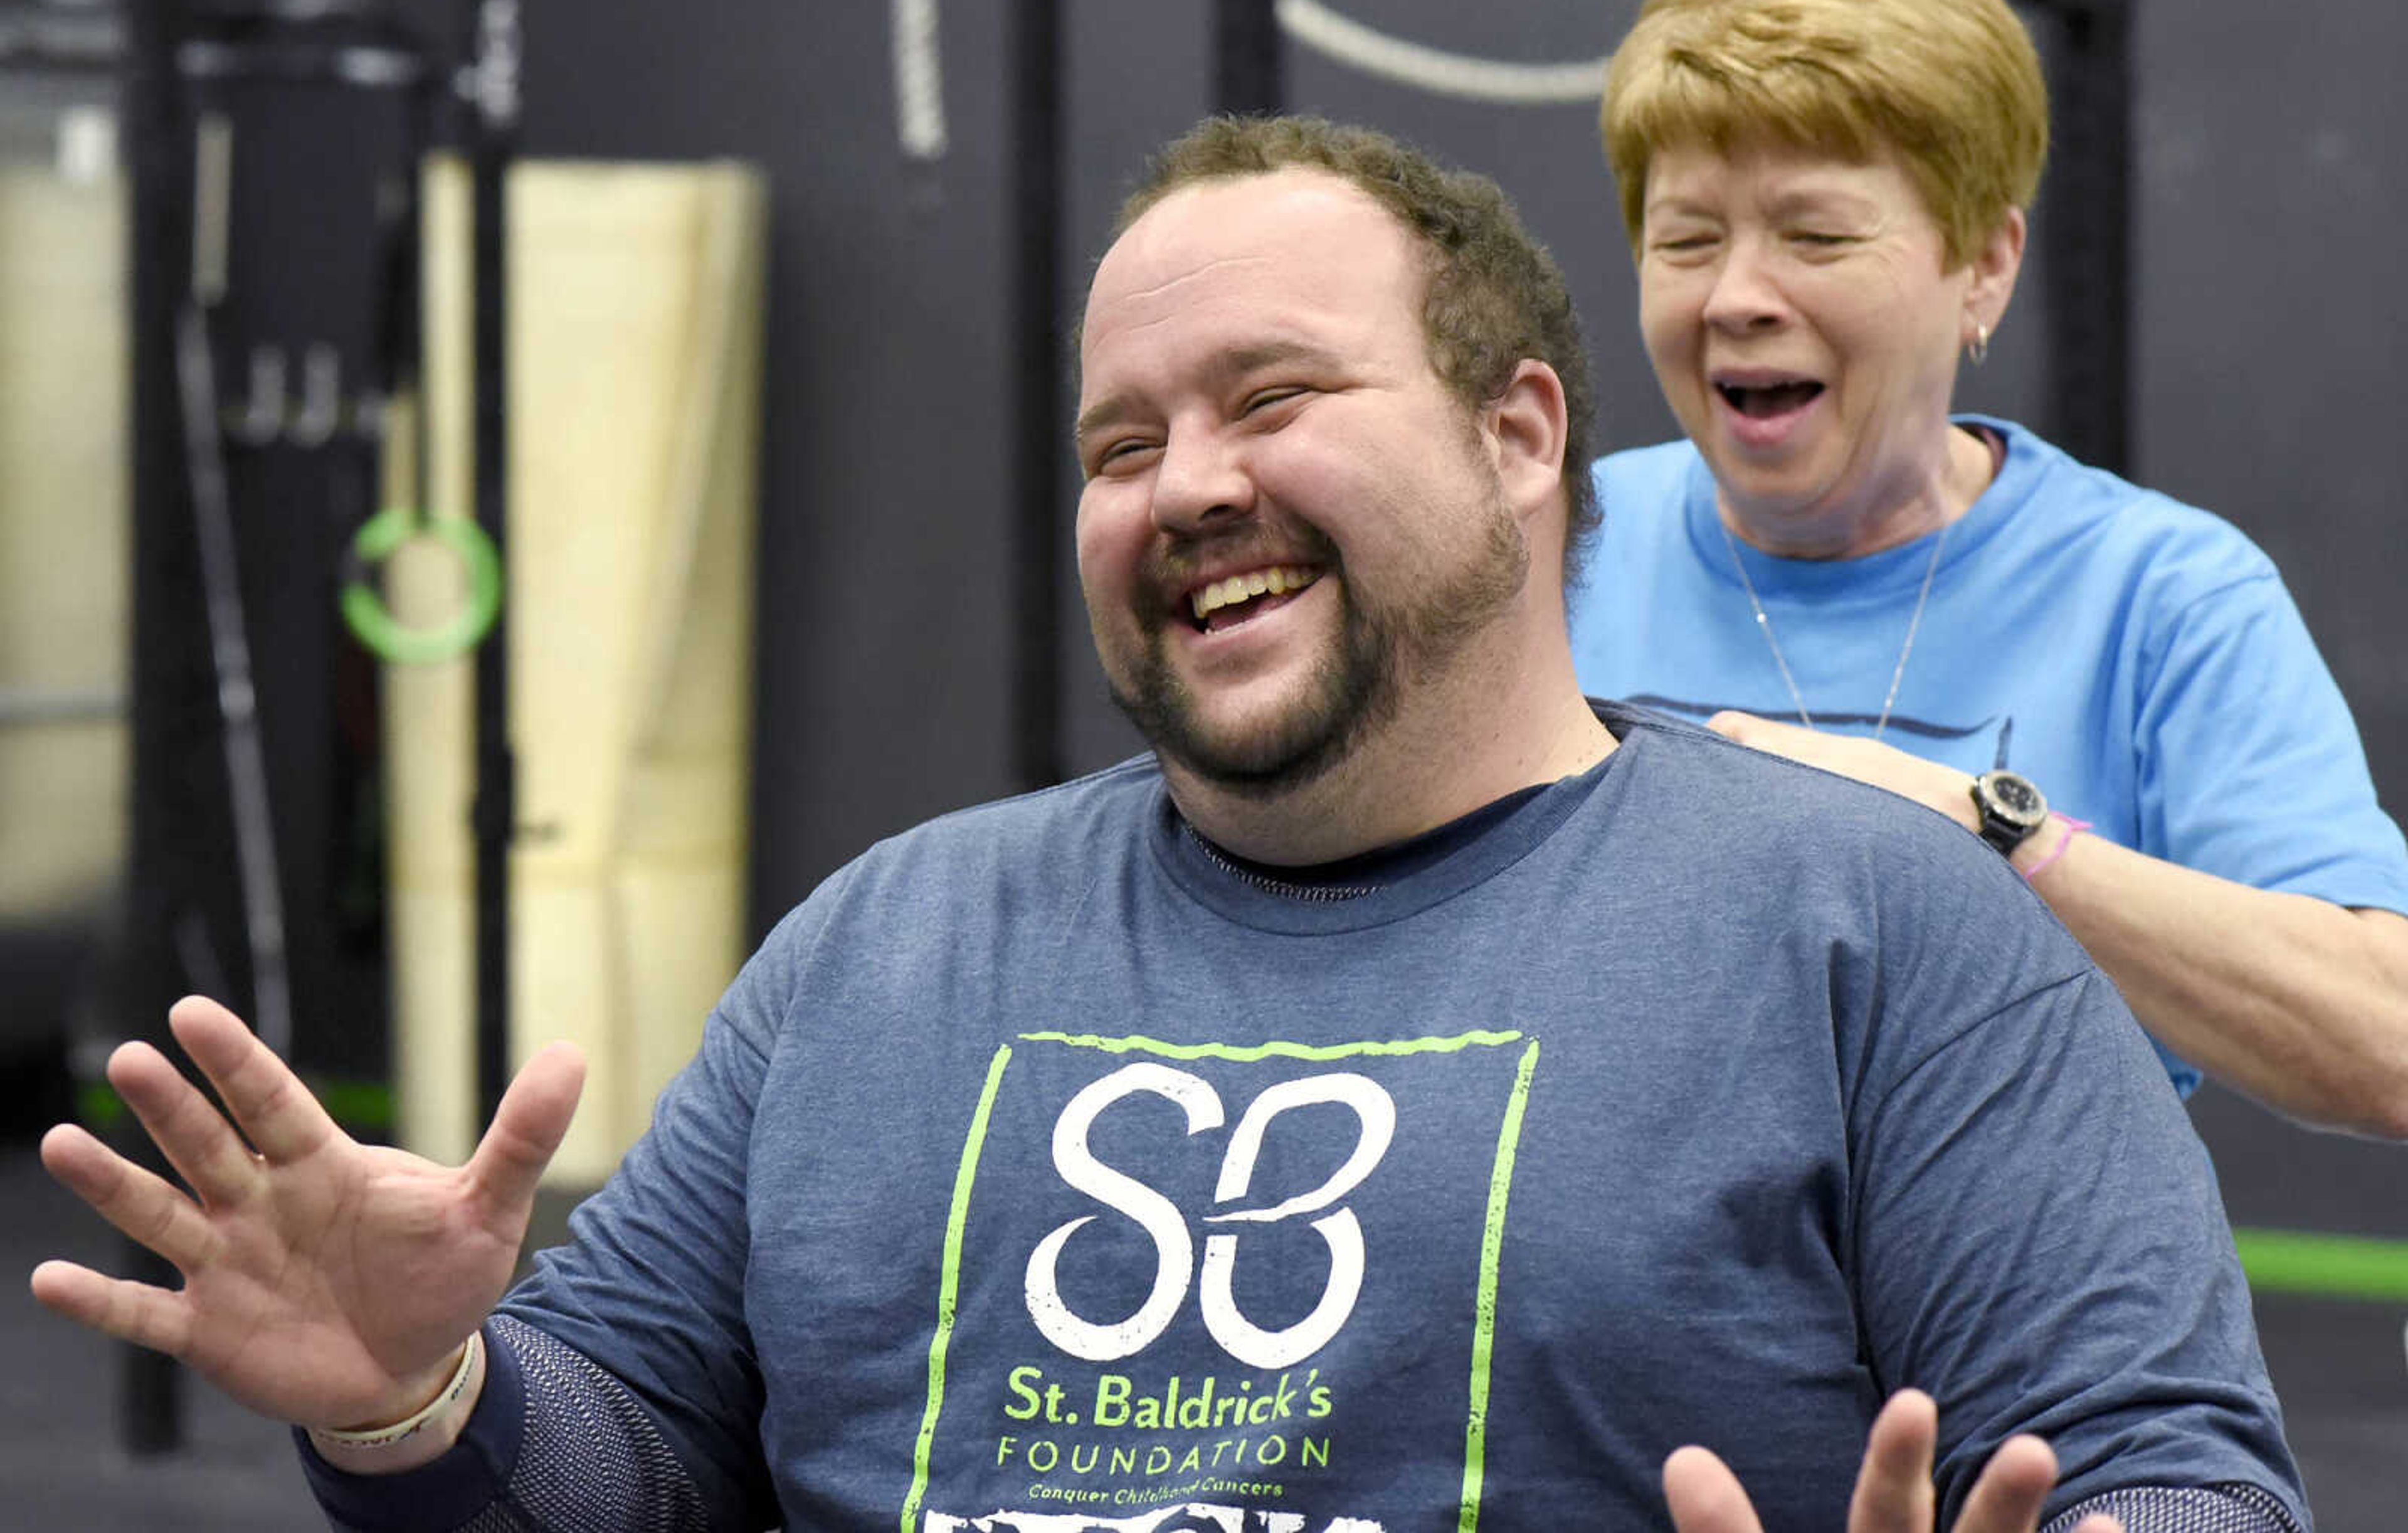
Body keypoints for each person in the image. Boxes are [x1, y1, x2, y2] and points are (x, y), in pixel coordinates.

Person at [33, 116, 2304, 1532]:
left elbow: (2182, 1475)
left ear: (1524, 435)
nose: (1185, 484)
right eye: (1121, 444)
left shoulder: (1882, 929)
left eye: (1274, 400)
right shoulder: (889, 944)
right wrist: (427, 1404)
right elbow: (624, 1458)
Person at [1572, 0, 2408, 1138]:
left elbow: (2385, 1041)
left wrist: (1989, 833)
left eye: (1815, 235)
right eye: (1688, 238)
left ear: (1984, 266)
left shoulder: (2161, 596)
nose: (1739, 296)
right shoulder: (1541, 555)